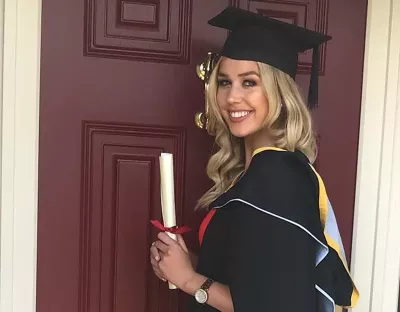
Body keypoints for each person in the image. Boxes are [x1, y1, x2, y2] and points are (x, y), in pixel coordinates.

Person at [149, 6, 359, 312]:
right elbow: (255, 279)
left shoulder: (276, 179)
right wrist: (187, 264)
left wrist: (189, 280)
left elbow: (273, 304)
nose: (232, 97)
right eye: (224, 82)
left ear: (279, 92)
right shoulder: (261, 172)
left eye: (249, 82)